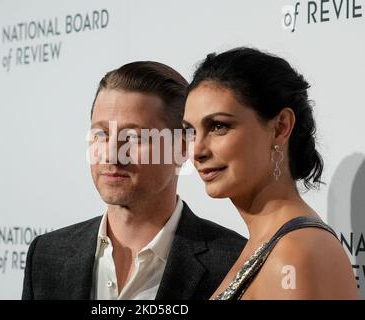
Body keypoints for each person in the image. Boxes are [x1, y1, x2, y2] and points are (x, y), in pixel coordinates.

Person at [22, 61, 246, 300]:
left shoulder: (235, 264)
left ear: (182, 149)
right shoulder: (47, 256)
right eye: (101, 134)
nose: (110, 154)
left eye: (133, 137)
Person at [182, 47, 359, 300]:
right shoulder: (270, 244)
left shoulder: (294, 254)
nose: (197, 150)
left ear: (280, 127)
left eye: (219, 126)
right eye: (191, 131)